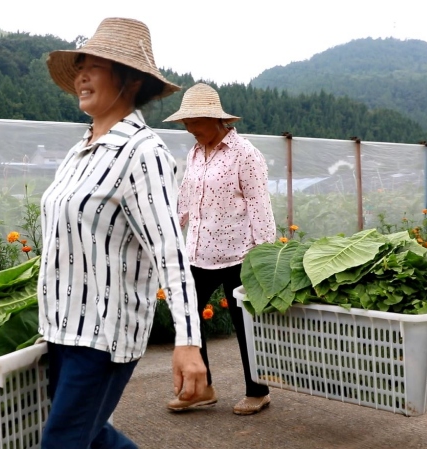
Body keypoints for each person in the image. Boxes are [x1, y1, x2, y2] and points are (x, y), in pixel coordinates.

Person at [40, 17, 207, 448]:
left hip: (101, 334)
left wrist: (189, 342)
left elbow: (170, 254)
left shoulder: (143, 153)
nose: (81, 75)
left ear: (130, 80)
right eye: (79, 65)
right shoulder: (79, 152)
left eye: (94, 65)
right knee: (93, 438)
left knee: (61, 442)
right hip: (59, 328)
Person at [163, 83, 276, 415]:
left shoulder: (245, 154)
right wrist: (169, 233)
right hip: (197, 254)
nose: (189, 130)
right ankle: (203, 388)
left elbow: (260, 206)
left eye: (194, 123)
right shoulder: (195, 152)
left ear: (213, 119)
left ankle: (258, 391)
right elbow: (185, 199)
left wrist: (265, 256)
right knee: (187, 320)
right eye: (185, 124)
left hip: (238, 254)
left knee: (246, 327)